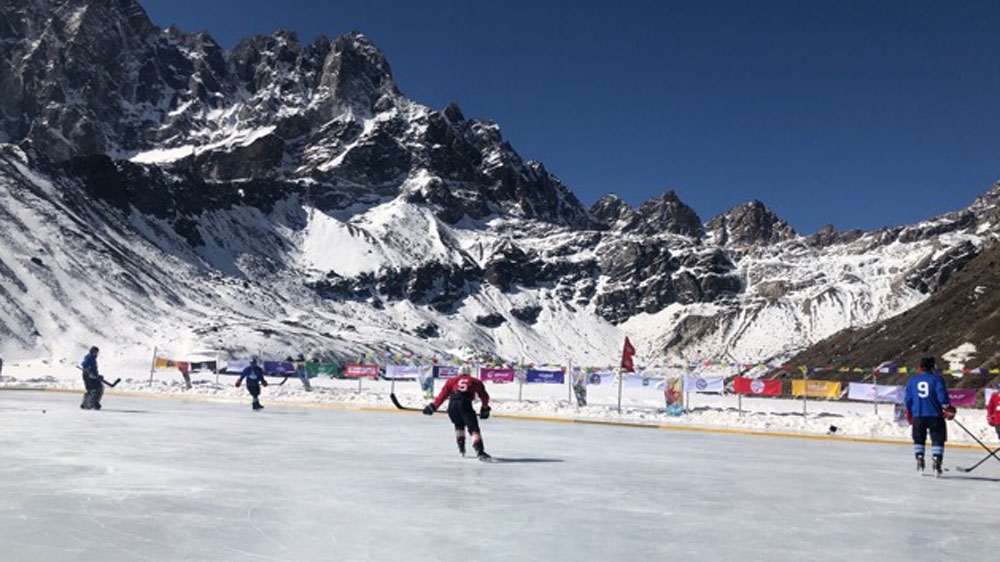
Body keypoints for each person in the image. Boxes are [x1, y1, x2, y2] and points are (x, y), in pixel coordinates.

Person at [423, 364, 492, 460]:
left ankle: (461, 447)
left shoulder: (451, 381)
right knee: (473, 429)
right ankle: (480, 451)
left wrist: (433, 407)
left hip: (452, 405)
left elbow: (442, 396)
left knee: (459, 425)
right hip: (465, 404)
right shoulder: (475, 381)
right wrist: (485, 407)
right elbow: (484, 396)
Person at [903, 356, 955, 476]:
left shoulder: (912, 381)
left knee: (918, 439)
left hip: (918, 415)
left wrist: (909, 412)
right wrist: (948, 408)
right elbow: (942, 397)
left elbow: (908, 399)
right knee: (938, 439)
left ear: (920, 367)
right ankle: (937, 460)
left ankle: (920, 458)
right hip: (935, 415)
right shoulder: (937, 379)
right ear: (932, 367)